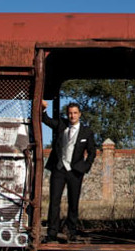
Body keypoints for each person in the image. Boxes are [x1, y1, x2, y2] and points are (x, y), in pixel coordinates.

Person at [41, 100, 98, 242]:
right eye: (70, 113)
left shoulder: (87, 132)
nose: (72, 116)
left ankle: (71, 231)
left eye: (75, 113)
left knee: (73, 202)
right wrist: (42, 109)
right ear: (67, 114)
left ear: (79, 114)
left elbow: (92, 152)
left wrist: (85, 167)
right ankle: (52, 232)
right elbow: (46, 120)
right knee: (54, 201)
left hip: (75, 171)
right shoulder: (62, 125)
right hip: (59, 169)